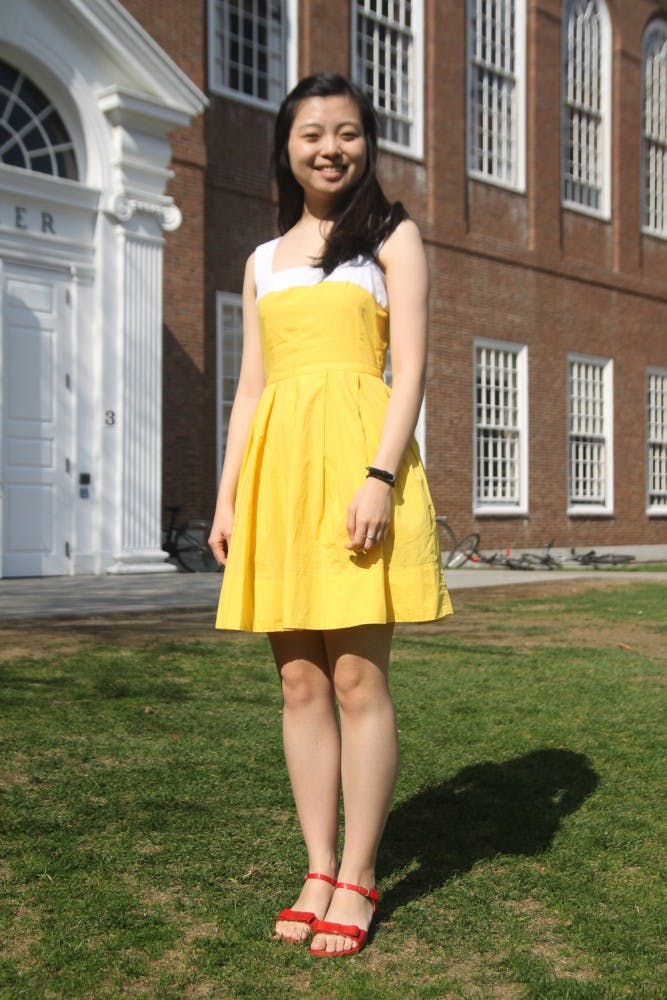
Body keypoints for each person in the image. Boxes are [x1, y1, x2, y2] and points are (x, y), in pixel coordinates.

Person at [208, 72, 452, 958]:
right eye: (312, 133)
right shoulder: (261, 261)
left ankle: (357, 875)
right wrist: (228, 496)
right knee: (299, 683)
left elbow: (412, 367)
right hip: (278, 481)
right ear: (286, 146)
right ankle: (315, 866)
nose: (329, 148)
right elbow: (249, 392)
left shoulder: (391, 237)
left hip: (355, 471)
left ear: (366, 145)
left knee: (355, 680)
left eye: (346, 133)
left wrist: (379, 477)